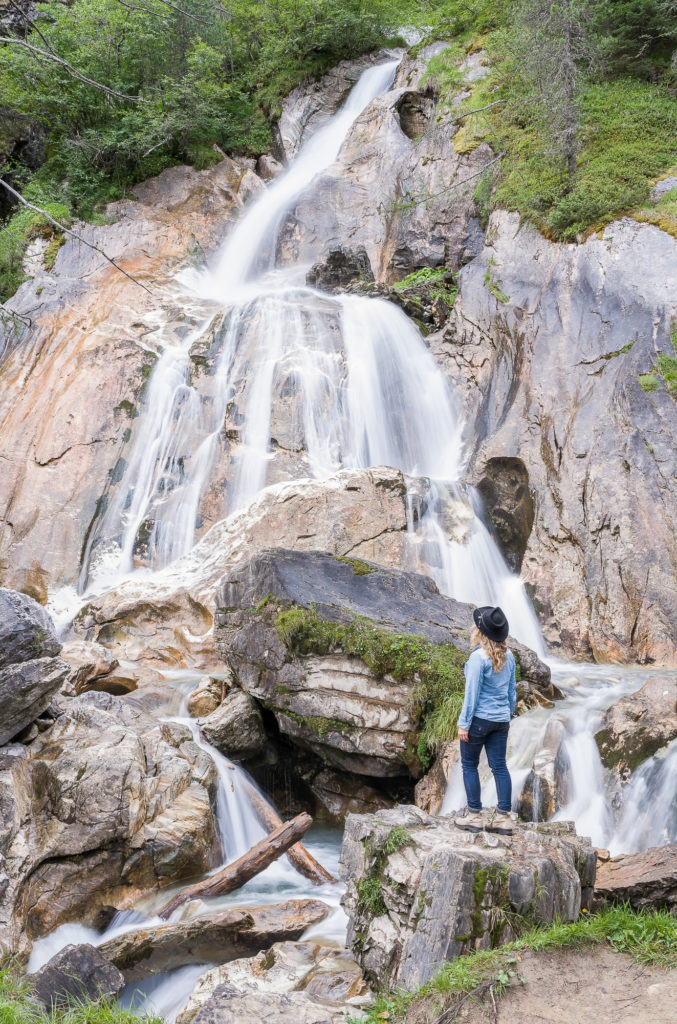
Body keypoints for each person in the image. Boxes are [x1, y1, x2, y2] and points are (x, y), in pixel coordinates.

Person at [454, 605, 516, 835]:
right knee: (499, 766)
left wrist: (464, 723)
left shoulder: (477, 659)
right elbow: (511, 692)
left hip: (479, 720)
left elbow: (471, 694)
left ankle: (474, 815)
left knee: (469, 765)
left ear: (480, 632)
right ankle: (503, 819)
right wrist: (507, 714)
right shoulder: (510, 658)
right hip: (501, 720)